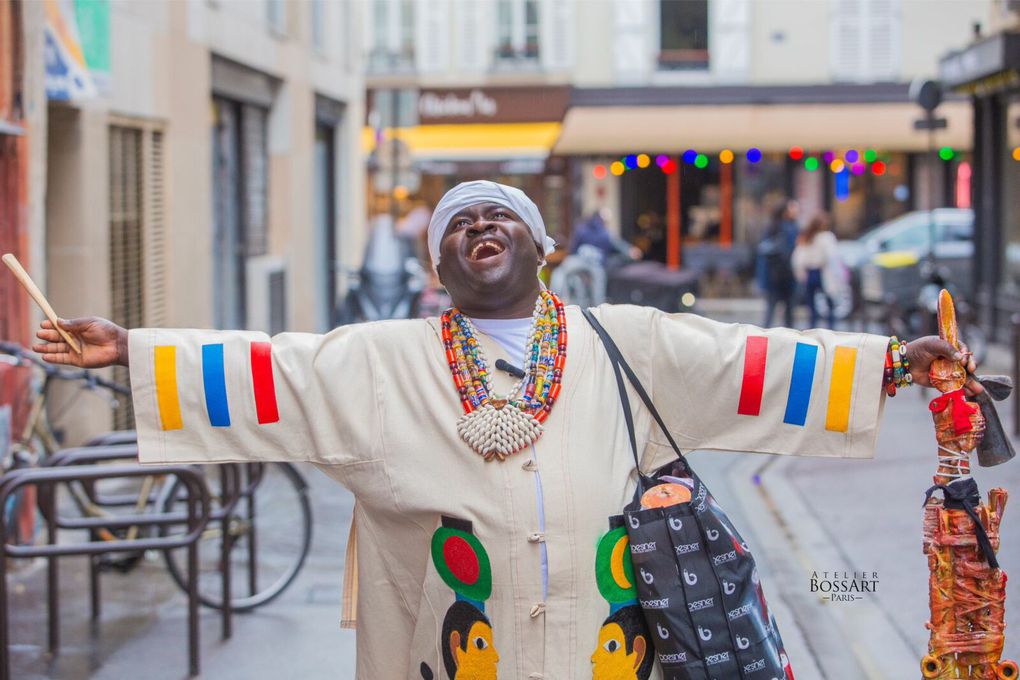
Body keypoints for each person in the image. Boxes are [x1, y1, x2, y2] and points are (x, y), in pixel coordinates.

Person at [33, 180, 979, 680]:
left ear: (541, 247)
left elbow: (750, 362)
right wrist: (130, 351)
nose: (481, 227)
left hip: (609, 648)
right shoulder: (380, 357)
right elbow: (272, 369)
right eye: (458, 223)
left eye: (502, 217)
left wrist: (896, 364)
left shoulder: (629, 340)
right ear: (438, 262)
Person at [755, 200, 800, 328]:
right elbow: (790, 252)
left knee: (770, 312)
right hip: (786, 275)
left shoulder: (771, 227)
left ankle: (763, 341)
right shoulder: (790, 228)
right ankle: (790, 341)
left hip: (772, 275)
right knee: (789, 314)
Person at [792, 212, 840, 329]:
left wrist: (800, 273)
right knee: (829, 302)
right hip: (823, 272)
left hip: (810, 273)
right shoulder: (827, 237)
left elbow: (798, 258)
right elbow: (832, 256)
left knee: (811, 304)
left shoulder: (806, 237)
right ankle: (831, 328)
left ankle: (812, 328)